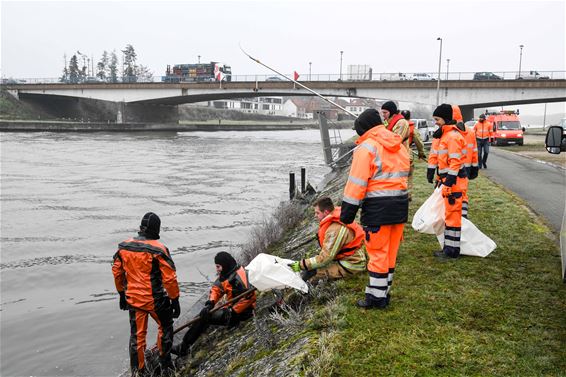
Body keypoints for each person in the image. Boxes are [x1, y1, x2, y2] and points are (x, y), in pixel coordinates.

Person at [340, 108, 410, 309]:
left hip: (378, 209)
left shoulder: (366, 148)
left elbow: (356, 184)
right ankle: (382, 292)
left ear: (364, 129)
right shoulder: (398, 145)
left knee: (377, 253)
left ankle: (377, 300)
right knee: (389, 254)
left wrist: (347, 214)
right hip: (399, 206)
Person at [112, 212, 181, 376]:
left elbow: (117, 273)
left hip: (133, 300)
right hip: (155, 300)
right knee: (165, 327)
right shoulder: (159, 249)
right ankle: (166, 367)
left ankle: (138, 372)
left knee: (137, 337)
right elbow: (169, 279)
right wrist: (175, 300)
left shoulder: (123, 247)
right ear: (156, 229)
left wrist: (122, 295)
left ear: (141, 227)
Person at [171, 252, 256, 357]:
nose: (217, 269)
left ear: (224, 264)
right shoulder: (228, 273)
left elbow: (250, 297)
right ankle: (191, 334)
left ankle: (183, 349)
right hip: (232, 310)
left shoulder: (238, 277)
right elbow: (216, 289)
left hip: (242, 314)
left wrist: (232, 311)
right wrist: (210, 304)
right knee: (204, 313)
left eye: (218, 266)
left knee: (204, 318)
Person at [288, 197, 367, 281]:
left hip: (353, 264)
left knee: (312, 275)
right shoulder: (337, 217)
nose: (315, 216)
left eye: (317, 213)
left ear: (326, 212)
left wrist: (302, 265)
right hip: (350, 258)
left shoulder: (335, 230)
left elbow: (325, 258)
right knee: (312, 267)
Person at [431, 104, 468, 259]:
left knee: (453, 217)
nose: (436, 122)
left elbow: (455, 162)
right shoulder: (447, 135)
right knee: (449, 216)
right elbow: (446, 162)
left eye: (437, 119)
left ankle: (451, 251)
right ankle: (449, 248)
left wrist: (448, 181)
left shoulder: (452, 137)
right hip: (450, 181)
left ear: (445, 119)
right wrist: (440, 178)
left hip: (454, 183)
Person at [453, 105, 479, 218]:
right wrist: (475, 167)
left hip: (452, 167)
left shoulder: (448, 132)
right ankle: (463, 215)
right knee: (463, 191)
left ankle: (454, 214)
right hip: (467, 167)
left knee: (452, 192)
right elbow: (474, 151)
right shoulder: (470, 132)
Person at [401, 109, 426, 200]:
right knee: (409, 176)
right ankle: (408, 195)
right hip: (408, 155)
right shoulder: (412, 128)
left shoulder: (396, 126)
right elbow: (419, 143)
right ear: (410, 117)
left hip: (396, 155)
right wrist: (421, 153)